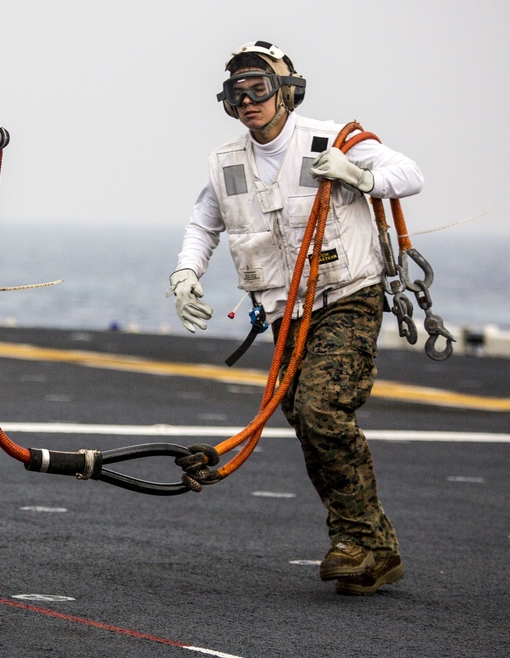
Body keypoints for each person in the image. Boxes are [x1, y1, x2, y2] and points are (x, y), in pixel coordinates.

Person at [168, 41, 423, 595]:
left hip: (347, 296)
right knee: (305, 419)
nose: (248, 100)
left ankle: (355, 540)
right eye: (236, 93)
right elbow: (202, 225)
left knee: (319, 405)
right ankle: (372, 546)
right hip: (287, 312)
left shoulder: (334, 139)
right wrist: (185, 274)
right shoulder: (226, 162)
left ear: (285, 90)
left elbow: (410, 175)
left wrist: (360, 174)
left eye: (258, 88)